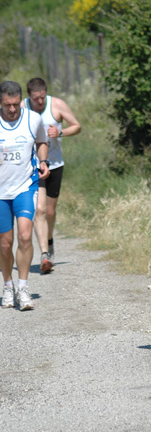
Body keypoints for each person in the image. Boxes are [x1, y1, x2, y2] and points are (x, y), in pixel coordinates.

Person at [23, 78, 81, 273]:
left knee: (49, 212)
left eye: (41, 98)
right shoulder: (22, 107)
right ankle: (44, 254)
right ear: (29, 96)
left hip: (55, 164)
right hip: (33, 166)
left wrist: (60, 132)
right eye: (35, 99)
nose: (39, 103)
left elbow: (77, 126)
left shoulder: (57, 105)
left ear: (45, 93)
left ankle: (49, 240)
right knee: (38, 210)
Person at [0, 80, 49, 310]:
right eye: (7, 105)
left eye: (16, 104)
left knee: (25, 236)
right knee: (4, 243)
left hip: (25, 186)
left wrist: (43, 160)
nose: (12, 109)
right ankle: (8, 285)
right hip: (1, 191)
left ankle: (23, 287)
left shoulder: (33, 118)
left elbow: (41, 141)